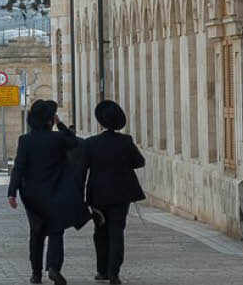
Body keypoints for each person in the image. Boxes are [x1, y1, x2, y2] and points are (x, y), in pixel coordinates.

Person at [8, 100, 90, 285]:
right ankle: (53, 267)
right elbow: (74, 142)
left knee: (36, 233)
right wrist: (60, 124)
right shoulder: (58, 139)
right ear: (49, 120)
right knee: (56, 231)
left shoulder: (25, 140)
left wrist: (11, 192)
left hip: (32, 196)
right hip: (56, 193)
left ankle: (36, 274)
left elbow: (19, 167)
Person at [81, 100, 146, 285]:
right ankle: (114, 273)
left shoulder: (90, 143)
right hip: (121, 195)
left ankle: (102, 270)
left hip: (97, 196)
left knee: (100, 232)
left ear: (100, 122)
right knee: (117, 231)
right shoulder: (126, 141)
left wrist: (80, 195)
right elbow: (139, 162)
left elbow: (82, 169)